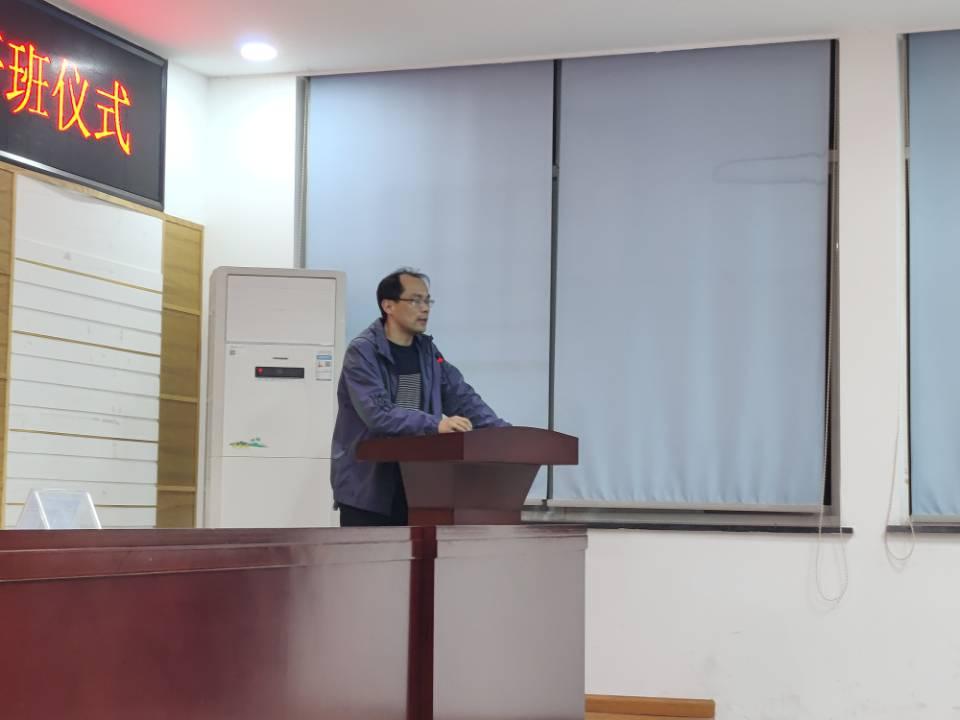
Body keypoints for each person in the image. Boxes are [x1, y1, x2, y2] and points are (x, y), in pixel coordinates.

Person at [331, 268, 508, 526]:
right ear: (388, 306)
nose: (425, 308)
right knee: (373, 554)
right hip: (369, 490)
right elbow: (378, 414)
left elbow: (462, 397)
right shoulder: (362, 352)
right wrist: (436, 425)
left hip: (418, 485)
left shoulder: (427, 352)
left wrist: (503, 433)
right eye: (415, 300)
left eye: (427, 301)